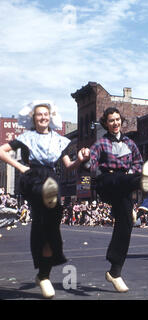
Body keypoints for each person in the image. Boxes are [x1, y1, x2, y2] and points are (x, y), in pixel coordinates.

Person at [0, 100, 90, 298]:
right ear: (33, 118)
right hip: (33, 178)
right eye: (39, 114)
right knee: (43, 211)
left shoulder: (59, 140)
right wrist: (21, 167)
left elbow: (68, 166)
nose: (43, 117)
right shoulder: (26, 137)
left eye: (45, 114)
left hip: (52, 178)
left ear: (51, 117)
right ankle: (45, 196)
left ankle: (43, 275)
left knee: (50, 228)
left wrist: (81, 160)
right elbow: (1, 151)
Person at [89, 107, 148, 292]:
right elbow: (92, 165)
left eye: (118, 119)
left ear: (121, 121)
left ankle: (115, 272)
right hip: (107, 182)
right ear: (106, 123)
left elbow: (138, 162)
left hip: (125, 185)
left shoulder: (129, 143)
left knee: (126, 225)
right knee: (122, 178)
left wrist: (134, 172)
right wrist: (88, 160)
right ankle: (142, 180)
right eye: (111, 120)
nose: (115, 123)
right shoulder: (100, 143)